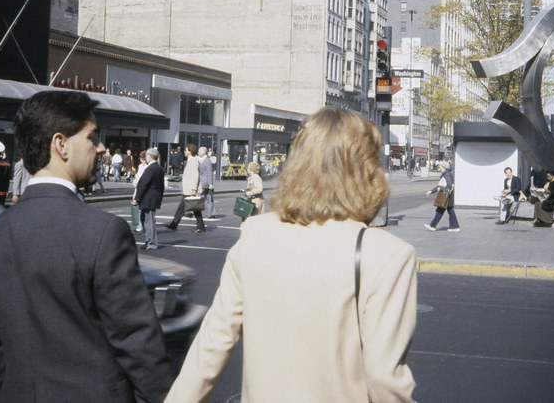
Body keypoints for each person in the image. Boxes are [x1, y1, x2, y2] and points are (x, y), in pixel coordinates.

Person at [165, 107, 417, 403]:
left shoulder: (255, 235)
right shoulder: (388, 255)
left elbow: (211, 347)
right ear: (368, 170)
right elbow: (384, 379)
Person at [0, 90, 171, 402]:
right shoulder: (103, 232)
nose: (100, 148)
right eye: (92, 137)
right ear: (60, 144)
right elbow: (138, 343)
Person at [166, 144, 205, 233]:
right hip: (188, 189)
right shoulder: (191, 160)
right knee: (186, 208)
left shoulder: (193, 160)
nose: (184, 152)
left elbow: (195, 175)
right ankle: (174, 224)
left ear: (190, 151)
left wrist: (194, 189)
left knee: (195, 208)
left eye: (186, 150)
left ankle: (175, 224)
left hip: (190, 189)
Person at [132, 147, 165, 250]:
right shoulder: (159, 168)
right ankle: (150, 241)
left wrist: (137, 198)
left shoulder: (150, 169)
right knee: (147, 220)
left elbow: (143, 184)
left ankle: (151, 242)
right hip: (154, 197)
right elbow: (161, 186)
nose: (145, 157)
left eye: (146, 155)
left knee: (148, 221)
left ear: (150, 156)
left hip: (148, 197)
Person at [424, 160, 459, 232]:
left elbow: (449, 187)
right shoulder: (446, 174)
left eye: (439, 166)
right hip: (447, 196)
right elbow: (440, 186)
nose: (438, 167)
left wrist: (440, 189)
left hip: (446, 196)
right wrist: (431, 191)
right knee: (445, 210)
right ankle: (454, 226)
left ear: (443, 167)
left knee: (443, 210)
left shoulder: (447, 175)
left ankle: (454, 227)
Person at [198, 146, 215, 218]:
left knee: (199, 197)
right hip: (204, 182)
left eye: (199, 151)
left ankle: (194, 211)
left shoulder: (207, 160)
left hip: (204, 182)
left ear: (203, 152)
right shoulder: (201, 159)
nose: (198, 152)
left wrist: (210, 184)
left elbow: (209, 172)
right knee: (209, 198)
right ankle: (211, 214)